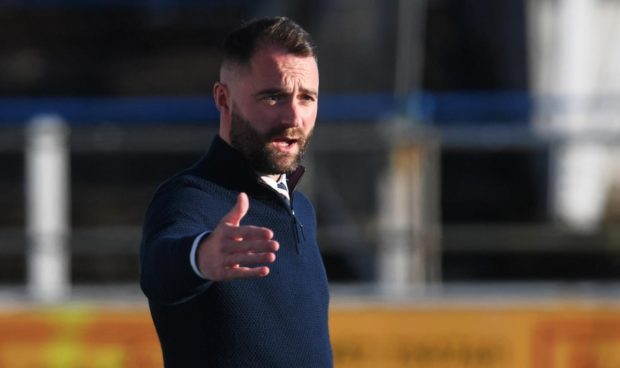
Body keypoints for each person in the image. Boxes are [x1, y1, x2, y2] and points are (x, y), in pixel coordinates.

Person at [139, 16, 333, 367]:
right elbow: (158, 269)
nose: (294, 116)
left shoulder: (301, 208)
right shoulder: (190, 196)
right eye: (273, 96)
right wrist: (200, 258)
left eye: (307, 97)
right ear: (224, 99)